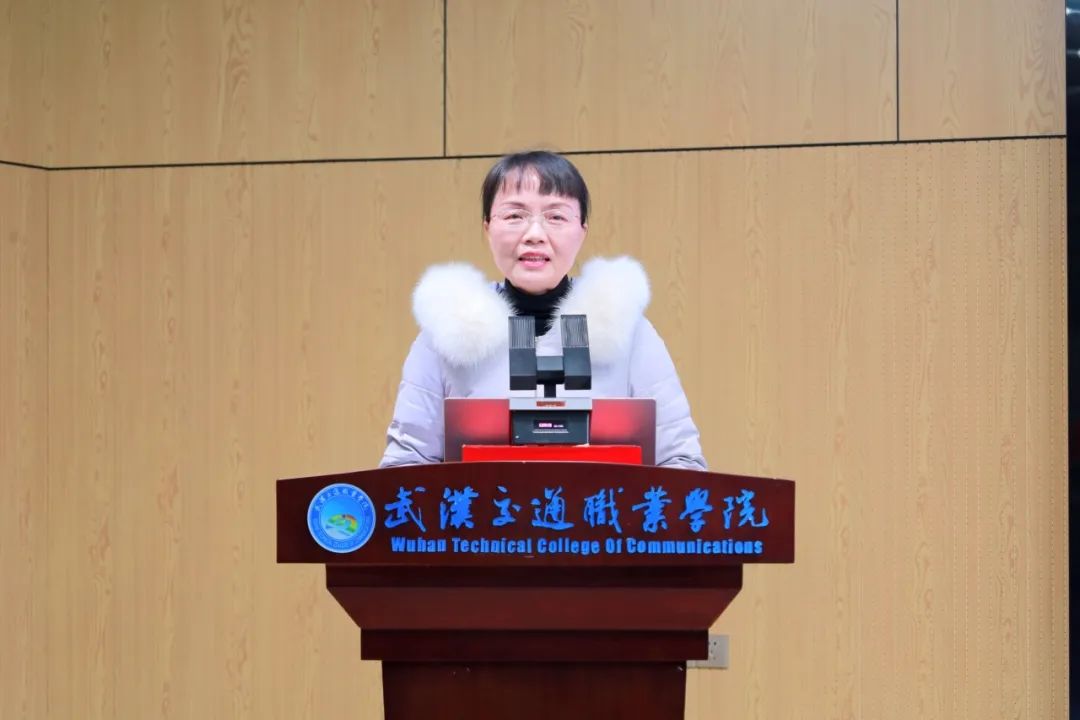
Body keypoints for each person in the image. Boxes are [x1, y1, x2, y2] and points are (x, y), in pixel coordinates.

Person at [379, 150, 706, 470]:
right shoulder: (447, 328)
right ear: (487, 227)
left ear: (582, 229)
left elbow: (681, 463)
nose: (534, 235)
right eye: (514, 216)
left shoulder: (627, 328)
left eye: (556, 217)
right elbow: (406, 466)